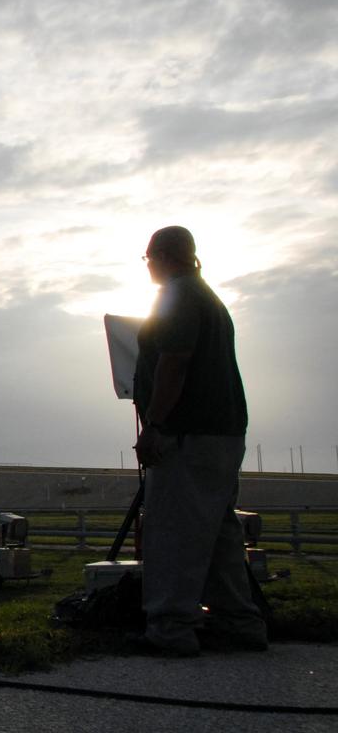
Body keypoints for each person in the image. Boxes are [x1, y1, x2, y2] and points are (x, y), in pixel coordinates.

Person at [131, 225, 266, 656]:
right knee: (220, 531)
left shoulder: (178, 296)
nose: (147, 265)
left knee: (173, 529)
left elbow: (174, 363)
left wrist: (155, 424)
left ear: (164, 255)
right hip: (222, 433)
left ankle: (170, 628)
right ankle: (238, 622)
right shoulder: (207, 298)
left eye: (148, 257)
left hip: (188, 435)